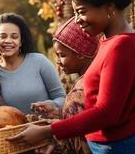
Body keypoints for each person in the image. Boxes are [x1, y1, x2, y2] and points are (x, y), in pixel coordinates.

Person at [7, 0, 135, 154]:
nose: (77, 21)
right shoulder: (107, 41)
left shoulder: (121, 46)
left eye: (81, 12)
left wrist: (48, 131)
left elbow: (106, 113)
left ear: (109, 7)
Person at [32, 17, 99, 154]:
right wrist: (60, 112)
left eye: (61, 55)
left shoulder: (81, 91)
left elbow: (83, 139)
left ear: (80, 54)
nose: (58, 62)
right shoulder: (92, 78)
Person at [0, 13, 65, 114]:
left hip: (45, 127)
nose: (8, 41)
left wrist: (52, 104)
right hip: (12, 129)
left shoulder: (39, 62)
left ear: (21, 41)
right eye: (3, 36)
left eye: (14, 37)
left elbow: (61, 97)